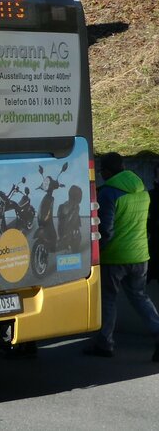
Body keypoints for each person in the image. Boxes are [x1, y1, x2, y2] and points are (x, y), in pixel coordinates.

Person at [85, 153, 159, 361]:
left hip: (115, 257)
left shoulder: (109, 193)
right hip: (140, 254)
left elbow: (105, 230)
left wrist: (96, 251)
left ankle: (105, 342)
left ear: (107, 171)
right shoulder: (142, 189)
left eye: (101, 172)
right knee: (140, 297)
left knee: (108, 299)